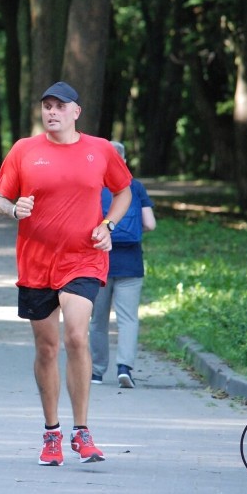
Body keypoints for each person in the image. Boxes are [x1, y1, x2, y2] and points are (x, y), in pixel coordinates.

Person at [0, 81, 133, 467]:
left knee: (75, 335)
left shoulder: (100, 150)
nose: (51, 112)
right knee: (47, 348)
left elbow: (124, 191)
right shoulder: (24, 150)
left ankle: (82, 431)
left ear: (76, 112)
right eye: (46, 106)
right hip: (35, 263)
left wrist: (109, 225)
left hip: (83, 259)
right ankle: (52, 432)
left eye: (59, 106)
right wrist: (13, 209)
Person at [89, 141, 156, 389]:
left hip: (98, 262)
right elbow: (150, 224)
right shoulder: (135, 188)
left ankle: (96, 371)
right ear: (124, 162)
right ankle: (124, 368)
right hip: (131, 263)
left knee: (97, 320)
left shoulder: (92, 187)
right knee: (128, 319)